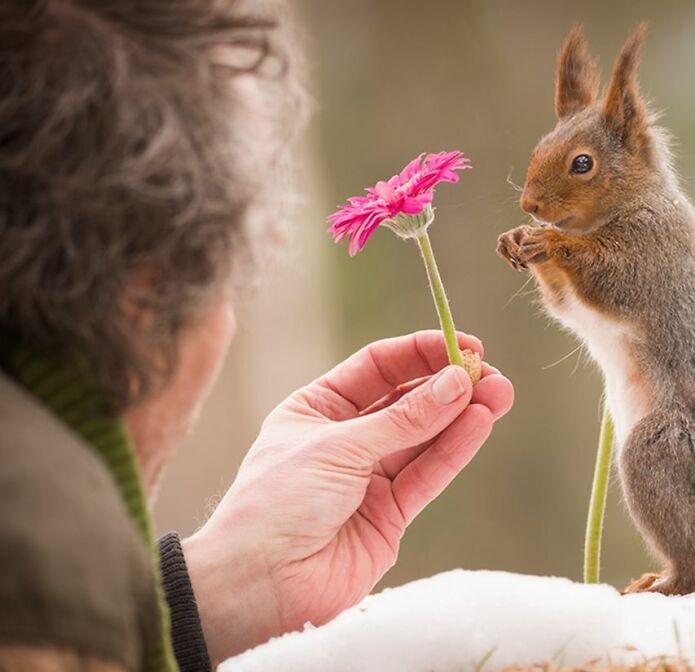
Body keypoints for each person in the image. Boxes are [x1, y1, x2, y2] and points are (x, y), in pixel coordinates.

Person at [0, 2, 514, 671]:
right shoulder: (38, 552)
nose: (226, 323)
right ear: (147, 290)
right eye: (228, 282)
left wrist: (207, 597)